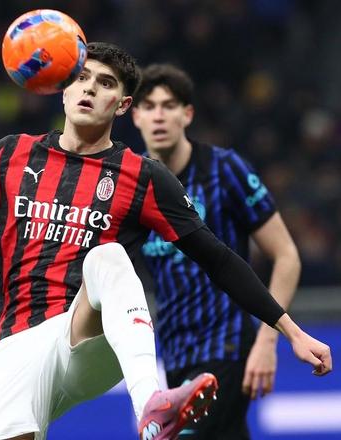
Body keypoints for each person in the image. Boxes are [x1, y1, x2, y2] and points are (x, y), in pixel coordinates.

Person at [0, 42, 331, 440]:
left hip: (85, 334)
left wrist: (290, 331)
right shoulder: (12, 155)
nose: (89, 89)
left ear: (122, 104)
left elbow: (217, 258)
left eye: (105, 83)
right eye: (81, 78)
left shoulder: (142, 176)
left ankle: (151, 404)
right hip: (12, 346)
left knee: (108, 256)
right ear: (62, 90)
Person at [132, 63, 302, 439]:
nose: (159, 115)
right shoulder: (133, 183)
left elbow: (286, 255)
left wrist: (267, 340)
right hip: (175, 352)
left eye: (169, 105)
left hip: (228, 344)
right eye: (150, 106)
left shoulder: (224, 170)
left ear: (187, 114)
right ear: (135, 115)